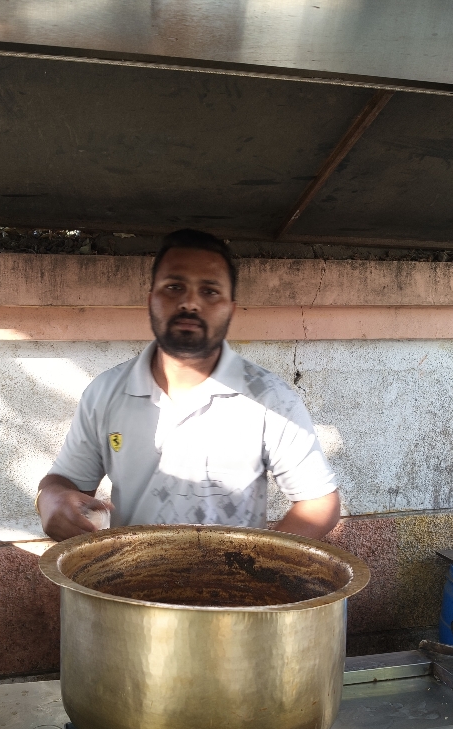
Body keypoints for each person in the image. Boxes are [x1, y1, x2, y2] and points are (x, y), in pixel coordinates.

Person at [36, 228, 341, 540]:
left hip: (234, 572)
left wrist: (257, 561)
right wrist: (50, 500)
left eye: (209, 291)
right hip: (129, 570)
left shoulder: (270, 398)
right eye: (174, 287)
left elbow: (319, 501)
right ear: (151, 301)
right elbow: (64, 482)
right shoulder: (105, 393)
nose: (190, 303)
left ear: (231, 309)